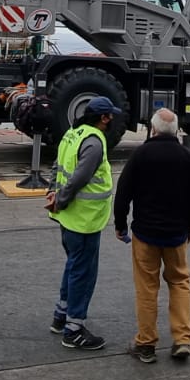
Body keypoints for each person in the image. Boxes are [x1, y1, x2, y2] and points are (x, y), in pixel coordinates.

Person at [114, 108, 190, 364]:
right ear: (176, 131)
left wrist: (121, 224)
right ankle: (182, 339)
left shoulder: (140, 155)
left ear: (152, 129)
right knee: (179, 282)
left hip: (145, 234)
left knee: (147, 288)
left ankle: (146, 344)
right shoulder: (187, 158)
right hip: (176, 234)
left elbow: (123, 194)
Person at [46, 96, 123, 350]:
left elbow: (58, 165)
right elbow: (80, 176)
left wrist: (53, 193)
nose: (112, 119)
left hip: (68, 218)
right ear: (103, 118)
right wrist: (63, 199)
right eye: (110, 115)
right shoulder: (94, 141)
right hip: (83, 218)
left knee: (72, 266)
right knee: (83, 273)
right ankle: (74, 329)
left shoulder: (72, 133)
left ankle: (61, 316)